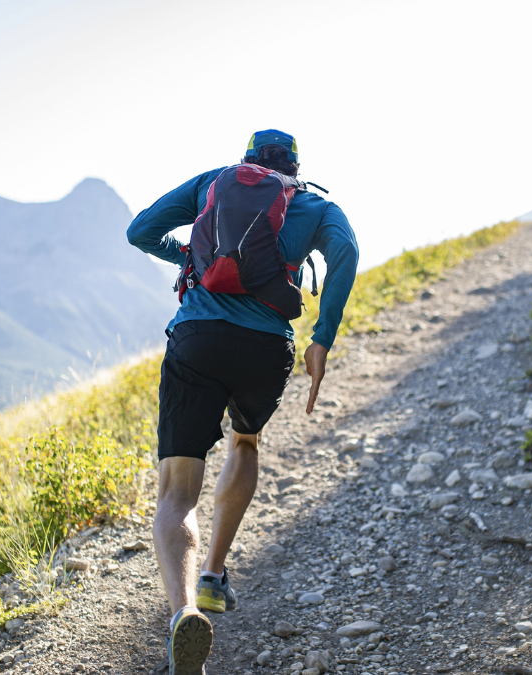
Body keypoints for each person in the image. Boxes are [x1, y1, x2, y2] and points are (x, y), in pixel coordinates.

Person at [126, 129, 359, 675]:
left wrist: (189, 255)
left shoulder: (213, 183)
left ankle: (183, 613)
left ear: (247, 162)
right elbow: (346, 253)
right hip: (264, 347)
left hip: (198, 336)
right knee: (245, 441)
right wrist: (321, 339)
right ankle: (212, 575)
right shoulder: (315, 205)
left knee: (177, 491)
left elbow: (140, 231)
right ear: (295, 170)